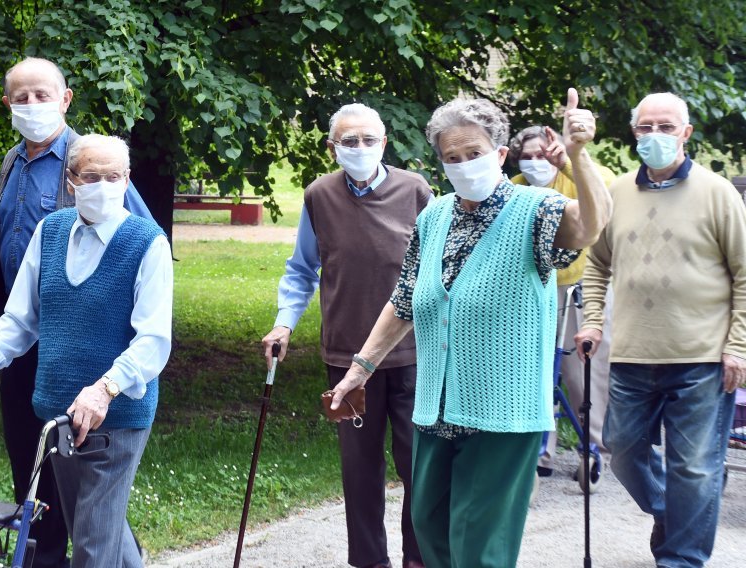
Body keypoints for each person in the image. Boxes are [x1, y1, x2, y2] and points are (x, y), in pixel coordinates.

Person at [326, 89, 611, 567]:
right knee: (432, 535)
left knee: (479, 549)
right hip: (436, 409)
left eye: (473, 153)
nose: (463, 164)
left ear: (500, 154)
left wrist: (579, 157)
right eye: (451, 157)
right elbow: (405, 301)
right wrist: (360, 369)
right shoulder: (434, 216)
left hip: (503, 412)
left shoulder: (535, 209)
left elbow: (589, 228)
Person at [0, 57, 152, 568]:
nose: (32, 105)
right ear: (7, 104)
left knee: (87, 494)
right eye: (21, 97)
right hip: (20, 342)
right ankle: (43, 556)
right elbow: (13, 242)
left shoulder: (89, 162)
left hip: (88, 350)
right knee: (35, 470)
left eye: (43, 95)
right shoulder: (12, 162)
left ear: (66, 99)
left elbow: (138, 240)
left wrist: (113, 372)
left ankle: (59, 559)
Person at [575, 92, 746, 568]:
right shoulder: (618, 193)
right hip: (632, 354)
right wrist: (591, 319)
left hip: (702, 357)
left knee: (694, 467)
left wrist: (738, 347)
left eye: (667, 127)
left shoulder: (718, 193)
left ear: (686, 133)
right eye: (646, 127)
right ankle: (675, 513)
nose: (655, 136)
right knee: (623, 452)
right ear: (634, 133)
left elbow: (745, 273)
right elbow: (597, 264)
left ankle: (681, 558)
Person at [261, 103, 432, 568]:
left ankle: (420, 559)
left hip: (413, 352)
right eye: (349, 141)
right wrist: (284, 322)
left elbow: (438, 267)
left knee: (418, 466)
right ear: (332, 146)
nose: (359, 149)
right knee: (359, 472)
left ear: (385, 142)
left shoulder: (415, 189)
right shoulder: (320, 195)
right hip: (345, 355)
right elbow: (301, 269)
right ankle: (370, 562)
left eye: (368, 140)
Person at [508, 125, 617, 477]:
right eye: (527, 157)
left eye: (542, 155)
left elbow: (606, 192)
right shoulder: (514, 188)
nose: (535, 162)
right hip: (534, 290)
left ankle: (594, 442)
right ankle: (542, 450)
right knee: (538, 369)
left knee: (581, 370)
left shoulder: (574, 177)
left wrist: (570, 160)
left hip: (580, 286)